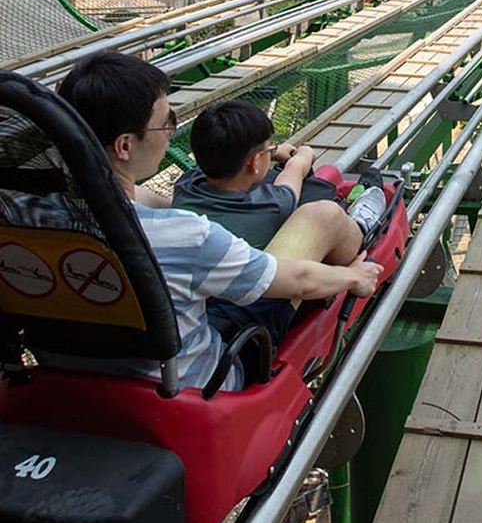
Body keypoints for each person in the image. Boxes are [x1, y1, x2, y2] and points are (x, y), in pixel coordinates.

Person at [57, 52, 384, 392]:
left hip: (71, 378)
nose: (171, 130)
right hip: (195, 382)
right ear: (125, 146)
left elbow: (130, 200)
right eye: (166, 121)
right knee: (321, 215)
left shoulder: (21, 216)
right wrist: (353, 277)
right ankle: (361, 225)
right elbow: (298, 281)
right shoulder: (184, 235)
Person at [171, 99, 384, 251]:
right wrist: (303, 155)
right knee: (330, 215)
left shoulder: (186, 183)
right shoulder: (273, 204)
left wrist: (269, 153)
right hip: (271, 285)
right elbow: (294, 172)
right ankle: (362, 223)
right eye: (268, 147)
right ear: (254, 162)